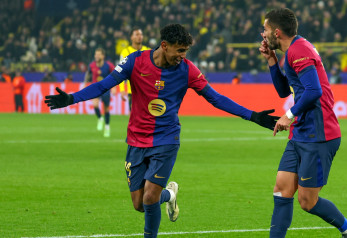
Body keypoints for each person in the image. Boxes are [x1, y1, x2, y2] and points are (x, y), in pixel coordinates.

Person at [45, 23, 278, 238]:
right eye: (179, 50)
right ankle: (170, 195)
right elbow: (104, 85)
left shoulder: (187, 70)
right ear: (164, 46)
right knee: (139, 204)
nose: (182, 56)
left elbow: (215, 98)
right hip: (136, 139)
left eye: (185, 51)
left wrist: (253, 116)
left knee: (148, 198)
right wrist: (72, 98)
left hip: (166, 139)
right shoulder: (135, 61)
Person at [259, 8, 347, 238]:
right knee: (282, 190)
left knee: (307, 202)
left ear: (276, 31)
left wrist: (289, 114)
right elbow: (285, 90)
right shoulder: (290, 52)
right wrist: (272, 61)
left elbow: (313, 91)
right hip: (301, 133)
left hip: (319, 134)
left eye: (265, 30)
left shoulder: (299, 50)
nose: (262, 34)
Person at [84, 47, 115, 137]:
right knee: (95, 105)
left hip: (105, 89)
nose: (96, 56)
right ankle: (100, 119)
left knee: (106, 109)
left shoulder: (108, 65)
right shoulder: (92, 65)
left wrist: (114, 87)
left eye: (98, 54)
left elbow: (115, 75)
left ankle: (107, 126)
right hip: (95, 88)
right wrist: (85, 83)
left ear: (103, 56)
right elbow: (88, 73)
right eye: (95, 54)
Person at [119, 27, 151, 111]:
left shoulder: (148, 51)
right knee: (134, 119)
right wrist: (122, 89)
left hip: (146, 91)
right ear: (131, 37)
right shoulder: (126, 52)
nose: (139, 36)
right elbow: (121, 71)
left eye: (141, 34)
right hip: (133, 91)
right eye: (137, 34)